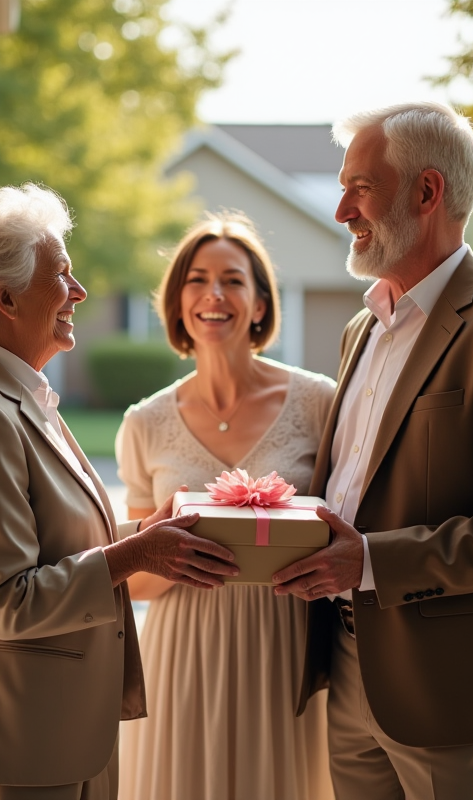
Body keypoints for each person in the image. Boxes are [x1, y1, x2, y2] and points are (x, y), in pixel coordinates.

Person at [274, 102, 473, 799]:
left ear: (427, 191)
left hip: (458, 694)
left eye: (360, 188)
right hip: (348, 670)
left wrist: (370, 561)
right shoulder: (360, 330)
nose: (343, 211)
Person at [0, 184, 239, 800]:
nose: (79, 291)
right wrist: (137, 555)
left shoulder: (17, 396)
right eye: (61, 274)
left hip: (51, 735)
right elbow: (9, 601)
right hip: (8, 748)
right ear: (5, 297)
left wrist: (146, 535)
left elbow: (51, 546)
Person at [115, 212, 336, 800]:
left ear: (260, 304)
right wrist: (167, 550)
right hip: (182, 654)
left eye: (232, 280)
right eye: (197, 280)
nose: (213, 294)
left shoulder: (320, 402)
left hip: (285, 647)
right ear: (178, 303)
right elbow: (134, 582)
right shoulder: (144, 423)